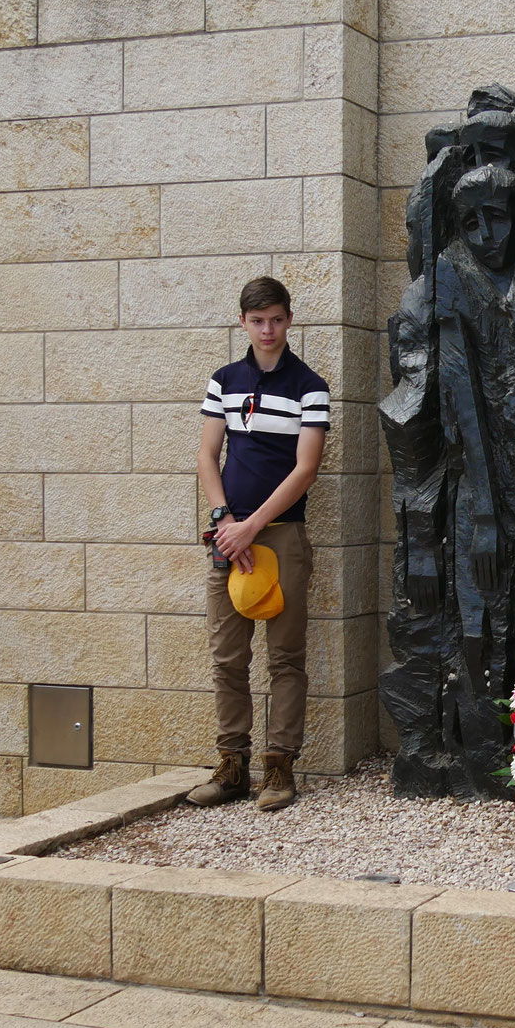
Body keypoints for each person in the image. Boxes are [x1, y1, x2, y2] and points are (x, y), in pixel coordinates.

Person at [188, 277, 330, 813]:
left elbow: (306, 468)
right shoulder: (223, 382)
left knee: (286, 658)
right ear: (243, 322)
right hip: (227, 535)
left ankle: (279, 767)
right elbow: (207, 455)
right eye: (257, 320)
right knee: (227, 658)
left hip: (282, 536)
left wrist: (253, 526)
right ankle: (231, 768)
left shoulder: (309, 386)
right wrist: (227, 520)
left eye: (275, 319)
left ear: (289, 320)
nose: (267, 329)